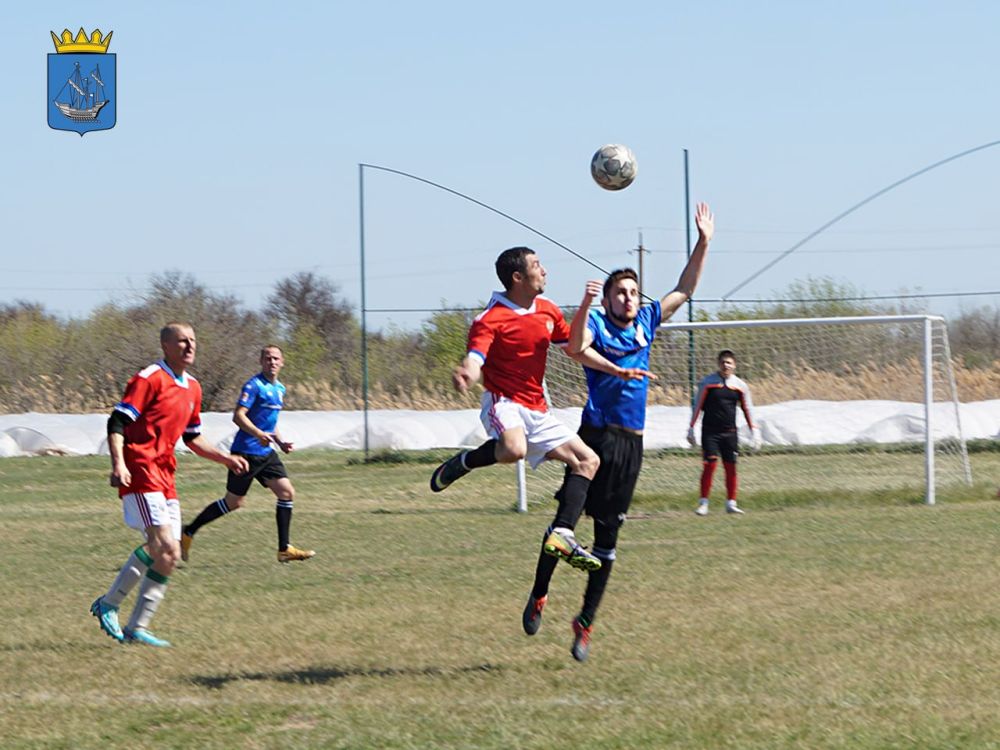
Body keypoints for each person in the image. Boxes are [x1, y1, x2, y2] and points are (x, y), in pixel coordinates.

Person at [523, 201, 715, 662]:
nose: (628, 298)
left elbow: (684, 288)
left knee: (608, 542)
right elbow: (573, 347)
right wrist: (587, 303)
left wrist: (704, 241)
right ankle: (539, 593)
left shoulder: (648, 321)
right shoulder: (596, 324)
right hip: (593, 436)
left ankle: (584, 622)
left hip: (632, 445)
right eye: (620, 293)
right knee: (562, 528)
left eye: (632, 291)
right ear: (608, 300)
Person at [430, 246, 632, 574]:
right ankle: (464, 462)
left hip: (537, 408)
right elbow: (476, 358)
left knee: (588, 460)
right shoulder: (489, 319)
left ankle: (563, 532)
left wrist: (614, 369)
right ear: (518, 277)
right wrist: (467, 372)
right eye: (538, 265)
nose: (545, 271)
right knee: (513, 448)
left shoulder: (548, 311)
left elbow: (574, 348)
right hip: (503, 401)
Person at [90, 322, 249, 647]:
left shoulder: (193, 387)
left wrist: (226, 459)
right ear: (166, 346)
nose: (189, 346)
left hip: (165, 474)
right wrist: (118, 463)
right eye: (182, 341)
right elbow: (117, 420)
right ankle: (109, 603)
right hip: (140, 469)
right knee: (163, 544)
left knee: (169, 555)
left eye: (193, 340)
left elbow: (191, 437)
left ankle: (136, 628)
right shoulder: (149, 378)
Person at [181, 345, 315, 564]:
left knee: (287, 493)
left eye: (275, 358)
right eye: (267, 358)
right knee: (233, 503)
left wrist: (279, 441)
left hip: (267, 453)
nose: (271, 362)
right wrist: (258, 433)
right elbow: (238, 416)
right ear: (261, 362)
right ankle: (188, 531)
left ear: (282, 362)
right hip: (245, 453)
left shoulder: (279, 388)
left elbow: (270, 423)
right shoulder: (254, 386)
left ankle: (284, 549)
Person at [688, 349, 760, 516]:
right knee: (709, 465)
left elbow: (747, 408)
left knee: (731, 467)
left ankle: (731, 503)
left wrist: (755, 431)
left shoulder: (740, 386)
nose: (725, 365)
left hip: (730, 433)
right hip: (710, 432)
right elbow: (697, 405)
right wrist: (692, 427)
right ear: (718, 364)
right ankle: (703, 503)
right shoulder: (708, 383)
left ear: (734, 365)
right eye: (722, 362)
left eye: (729, 362)